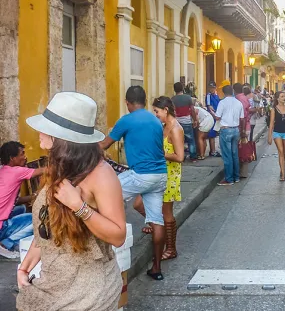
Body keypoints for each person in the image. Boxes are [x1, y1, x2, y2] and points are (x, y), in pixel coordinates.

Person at [18, 92, 126, 309]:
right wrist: (24, 267)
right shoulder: (58, 167)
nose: (39, 132)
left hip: (90, 292)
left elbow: (118, 236)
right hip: (53, 284)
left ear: (62, 138)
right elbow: (47, 230)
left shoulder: (101, 174)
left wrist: (79, 206)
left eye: (46, 128)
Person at [100, 86, 167, 280]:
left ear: (127, 103)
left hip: (140, 174)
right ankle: (156, 268)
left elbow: (104, 145)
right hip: (160, 175)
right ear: (145, 102)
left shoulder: (126, 120)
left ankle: (107, 248)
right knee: (157, 220)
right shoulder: (155, 120)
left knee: (104, 195)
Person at [132, 97, 184, 261]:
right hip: (156, 172)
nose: (155, 114)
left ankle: (171, 249)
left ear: (166, 110)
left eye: (156, 111)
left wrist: (159, 154)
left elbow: (180, 156)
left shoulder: (176, 129)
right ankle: (156, 227)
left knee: (166, 212)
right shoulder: (163, 126)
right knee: (138, 204)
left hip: (169, 176)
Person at [0, 142, 44, 259]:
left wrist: (34, 196)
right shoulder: (17, 171)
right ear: (12, 158)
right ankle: (5, 244)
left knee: (22, 208)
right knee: (36, 219)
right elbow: (46, 170)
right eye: (22, 154)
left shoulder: (3, 171)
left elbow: (13, 201)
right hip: (1, 224)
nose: (25, 157)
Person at [215, 85, 246, 186]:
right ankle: (236, 177)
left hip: (226, 130)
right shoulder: (238, 103)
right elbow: (242, 118)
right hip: (236, 129)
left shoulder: (222, 102)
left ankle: (229, 179)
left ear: (223, 92)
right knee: (235, 155)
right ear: (232, 91)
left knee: (227, 156)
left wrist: (212, 112)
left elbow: (218, 117)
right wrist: (243, 131)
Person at [171, 82, 197, 162]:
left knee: (179, 140)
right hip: (187, 121)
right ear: (182, 88)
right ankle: (193, 158)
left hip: (177, 122)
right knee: (191, 140)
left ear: (174, 89)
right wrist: (195, 119)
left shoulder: (172, 99)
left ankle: (181, 156)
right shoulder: (188, 98)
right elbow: (192, 110)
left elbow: (172, 111)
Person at [234, 83, 253, 178]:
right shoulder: (244, 97)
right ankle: (243, 171)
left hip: (242, 127)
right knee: (243, 149)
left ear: (234, 90)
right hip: (246, 126)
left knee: (241, 150)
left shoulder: (238, 98)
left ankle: (242, 172)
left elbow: (243, 116)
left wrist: (243, 131)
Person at [205, 81, 222, 157]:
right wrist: (214, 115)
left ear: (215, 88)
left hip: (216, 116)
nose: (211, 89)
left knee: (214, 134)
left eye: (213, 87)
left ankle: (213, 150)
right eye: (210, 87)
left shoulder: (216, 95)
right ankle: (213, 151)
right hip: (212, 117)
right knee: (211, 134)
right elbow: (209, 107)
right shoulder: (208, 96)